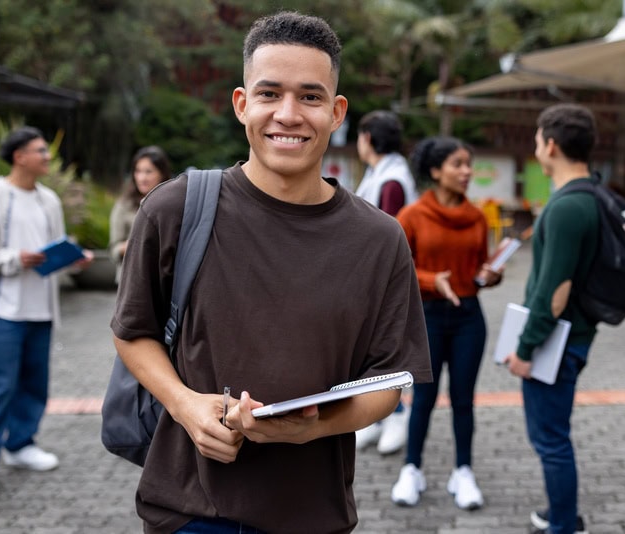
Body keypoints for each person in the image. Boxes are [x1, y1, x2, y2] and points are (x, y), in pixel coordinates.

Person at [110, 11, 432, 533]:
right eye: (269, 94)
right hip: (190, 508)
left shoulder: (379, 238)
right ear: (242, 104)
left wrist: (314, 428)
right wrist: (187, 405)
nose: (288, 114)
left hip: (312, 512)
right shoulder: (176, 208)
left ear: (336, 111)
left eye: (310, 96)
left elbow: (388, 383)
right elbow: (133, 332)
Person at [0, 126, 92, 501]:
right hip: (4, 310)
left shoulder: (48, 200)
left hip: (42, 309)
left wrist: (73, 261)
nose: (47, 157)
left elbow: (54, 250)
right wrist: (11, 259)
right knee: (0, 387)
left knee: (35, 383)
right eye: (40, 151)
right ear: (19, 157)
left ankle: (20, 445)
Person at [500, 103, 600, 534]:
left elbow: (554, 293)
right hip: (575, 335)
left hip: (555, 341)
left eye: (538, 139)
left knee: (551, 440)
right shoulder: (593, 194)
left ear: (551, 146)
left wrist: (524, 350)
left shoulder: (565, 207)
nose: (536, 146)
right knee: (553, 434)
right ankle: (562, 514)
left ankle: (564, 525)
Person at [390, 136, 502, 511]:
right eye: (458, 164)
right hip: (428, 317)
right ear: (436, 171)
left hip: (470, 316)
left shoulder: (477, 217)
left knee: (464, 401)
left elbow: (478, 270)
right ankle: (412, 469)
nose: (467, 171)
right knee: (423, 398)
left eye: (469, 164)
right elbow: (397, 269)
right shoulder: (412, 216)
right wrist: (430, 280)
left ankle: (463, 471)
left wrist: (490, 275)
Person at [353, 110, 419, 455]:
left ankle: (397, 414)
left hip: (382, 282)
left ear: (369, 139)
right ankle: (377, 420)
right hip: (373, 278)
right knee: (369, 355)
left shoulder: (391, 181)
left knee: (380, 354)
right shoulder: (383, 173)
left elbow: (385, 232)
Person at [109, 146, 172, 284]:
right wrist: (133, 244)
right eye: (138, 171)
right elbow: (114, 250)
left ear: (162, 173)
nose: (142, 178)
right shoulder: (124, 205)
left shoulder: (173, 203)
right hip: (132, 280)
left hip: (165, 280)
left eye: (148, 172)